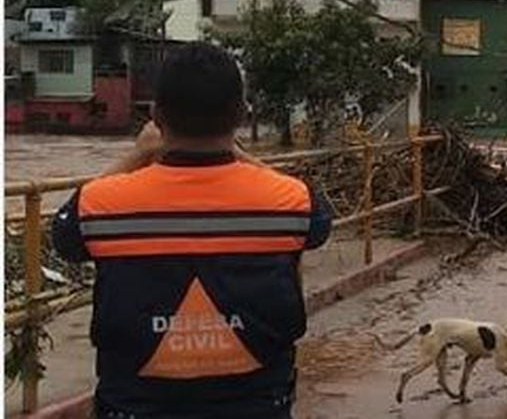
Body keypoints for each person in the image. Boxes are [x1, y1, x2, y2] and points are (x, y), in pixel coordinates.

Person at [52, 42, 332, 418]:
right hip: (259, 407)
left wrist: (136, 155)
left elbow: (63, 234)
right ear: (240, 113)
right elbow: (318, 227)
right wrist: (239, 153)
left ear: (156, 115)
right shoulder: (291, 202)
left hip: (134, 408)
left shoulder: (100, 205)